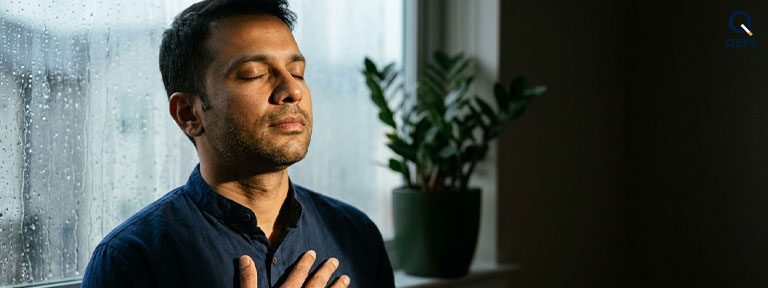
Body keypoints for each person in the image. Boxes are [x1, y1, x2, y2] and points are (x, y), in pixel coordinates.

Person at [81, 0, 395, 287]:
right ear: (189, 114)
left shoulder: (355, 235)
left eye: (297, 72)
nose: (292, 90)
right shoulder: (130, 260)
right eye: (254, 74)